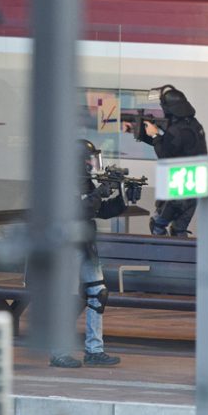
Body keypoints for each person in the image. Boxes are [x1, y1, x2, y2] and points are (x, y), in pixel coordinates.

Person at [49, 140, 127, 368]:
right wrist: (98, 194)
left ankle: (94, 349)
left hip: (85, 244)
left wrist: (120, 196)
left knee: (98, 293)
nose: (92, 164)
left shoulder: (85, 183)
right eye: (88, 159)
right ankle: (59, 351)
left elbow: (99, 211)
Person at [132, 85, 207, 236]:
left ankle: (162, 258)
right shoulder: (193, 124)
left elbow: (165, 155)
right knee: (178, 229)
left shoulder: (177, 130)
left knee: (157, 225)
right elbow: (172, 145)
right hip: (196, 185)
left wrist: (154, 135)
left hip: (180, 187)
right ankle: (180, 259)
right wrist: (148, 135)